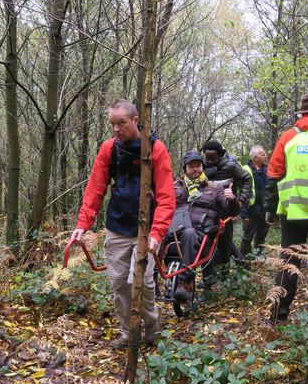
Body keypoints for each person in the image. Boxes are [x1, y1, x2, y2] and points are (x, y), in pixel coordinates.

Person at [70, 100, 175, 349]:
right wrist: (82, 224)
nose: (116, 129)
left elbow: (166, 197)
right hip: (117, 225)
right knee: (119, 283)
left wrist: (157, 232)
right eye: (112, 124)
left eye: (121, 123)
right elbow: (96, 187)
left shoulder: (156, 149)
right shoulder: (109, 149)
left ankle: (152, 330)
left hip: (146, 229)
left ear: (136, 120)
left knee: (142, 282)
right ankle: (128, 333)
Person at [264, 92, 308, 324]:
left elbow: (273, 174)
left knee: (289, 262)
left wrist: (269, 210)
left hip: (293, 212)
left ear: (303, 114)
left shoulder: (288, 137)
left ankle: (278, 314)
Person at [168, 150, 240, 301]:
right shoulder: (175, 186)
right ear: (185, 169)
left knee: (189, 234)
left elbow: (230, 211)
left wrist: (232, 199)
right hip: (175, 229)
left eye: (198, 166)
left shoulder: (215, 188)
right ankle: (149, 284)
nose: (195, 169)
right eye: (191, 166)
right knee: (152, 236)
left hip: (202, 232)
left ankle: (184, 283)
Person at [202, 140, 252, 267]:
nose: (210, 161)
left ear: (220, 154)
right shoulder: (202, 166)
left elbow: (247, 179)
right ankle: (209, 280)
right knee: (207, 246)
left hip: (226, 214)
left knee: (225, 245)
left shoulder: (231, 167)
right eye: (207, 158)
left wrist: (240, 201)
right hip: (206, 213)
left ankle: (226, 274)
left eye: (213, 158)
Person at [240, 145, 270, 256]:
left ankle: (258, 257)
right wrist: (243, 214)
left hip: (265, 210)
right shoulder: (245, 170)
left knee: (262, 236)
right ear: (256, 158)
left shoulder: (268, 169)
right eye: (263, 155)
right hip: (251, 211)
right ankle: (244, 260)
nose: (266, 156)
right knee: (247, 237)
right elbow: (242, 193)